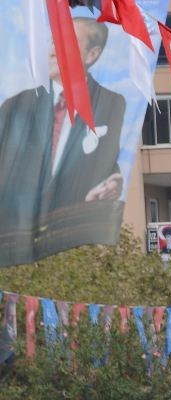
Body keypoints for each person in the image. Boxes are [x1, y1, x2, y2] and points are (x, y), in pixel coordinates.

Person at [0, 16, 127, 268]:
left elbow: (105, 163)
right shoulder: (16, 107)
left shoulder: (111, 104)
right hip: (14, 244)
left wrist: (113, 184)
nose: (51, 51)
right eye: (52, 42)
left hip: (72, 245)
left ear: (92, 54)